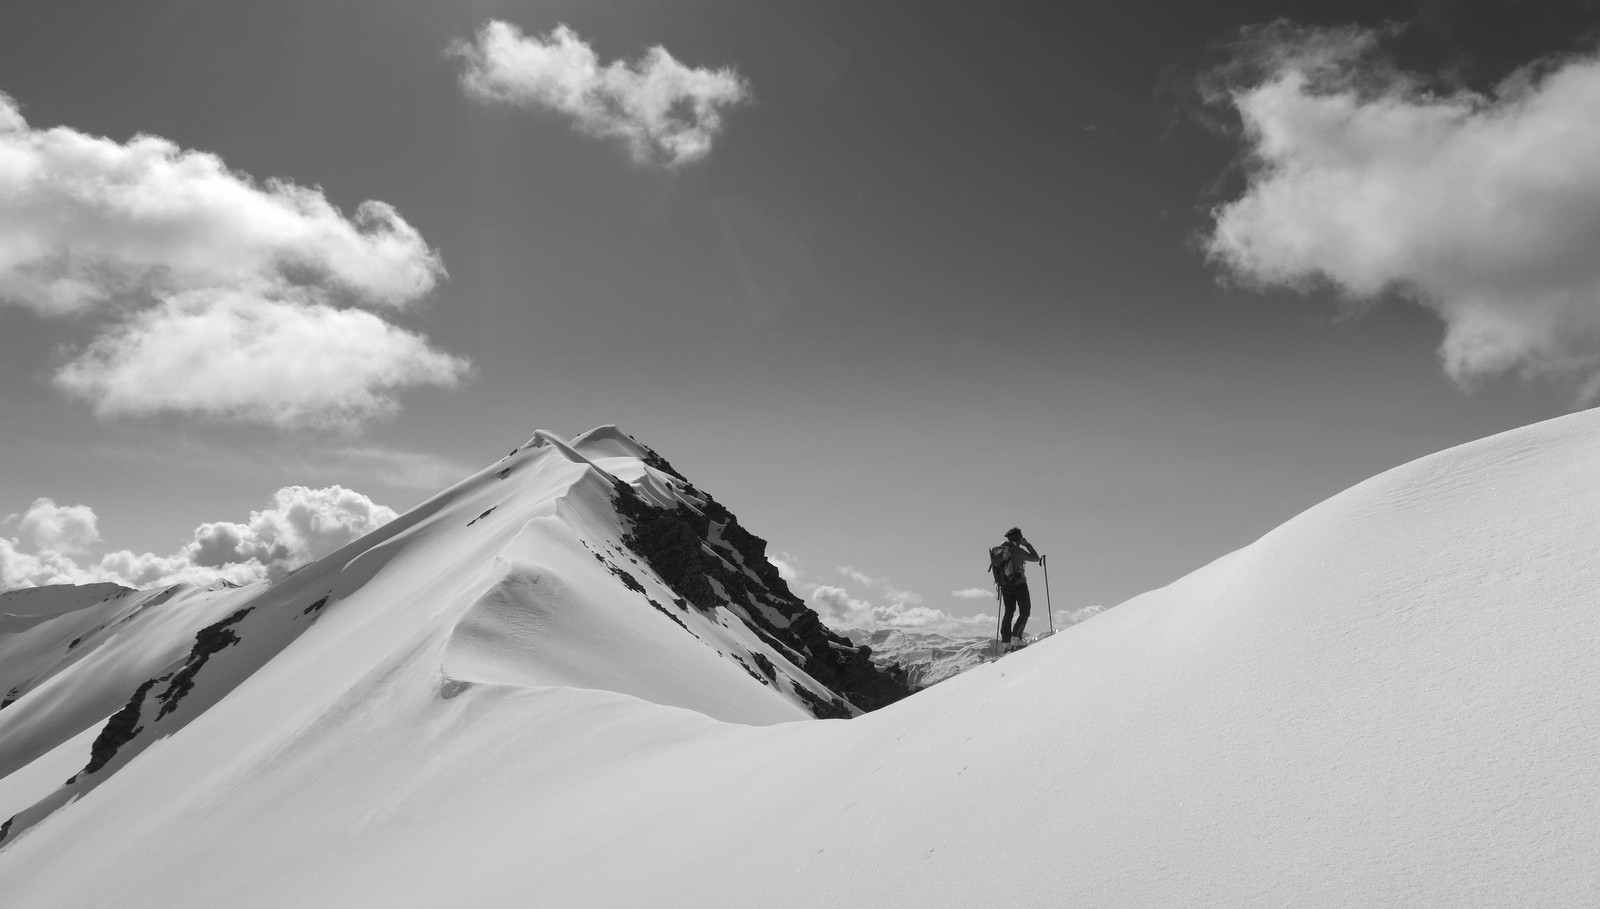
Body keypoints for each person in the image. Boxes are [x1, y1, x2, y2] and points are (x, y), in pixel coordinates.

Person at [995, 527, 1041, 649]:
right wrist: (1027, 545)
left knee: (1009, 611)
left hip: (1005, 585)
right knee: (1025, 611)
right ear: (1018, 538)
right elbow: (1036, 558)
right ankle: (1016, 637)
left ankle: (1006, 641)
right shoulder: (1016, 550)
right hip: (1019, 584)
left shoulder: (1000, 551)